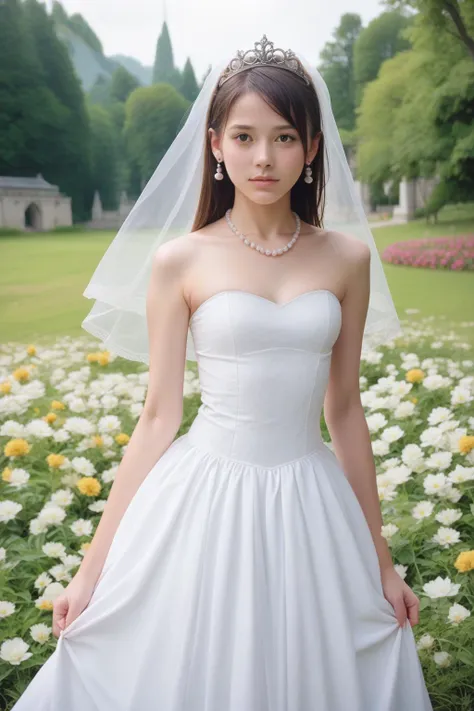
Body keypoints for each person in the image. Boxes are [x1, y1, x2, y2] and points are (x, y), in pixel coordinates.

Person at [12, 35, 433, 711]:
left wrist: (381, 560)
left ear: (313, 148)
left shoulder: (347, 258)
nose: (263, 157)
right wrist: (89, 570)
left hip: (310, 497)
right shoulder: (180, 261)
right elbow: (157, 416)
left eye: (285, 137)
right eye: (243, 136)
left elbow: (346, 409)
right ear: (215, 145)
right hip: (203, 494)